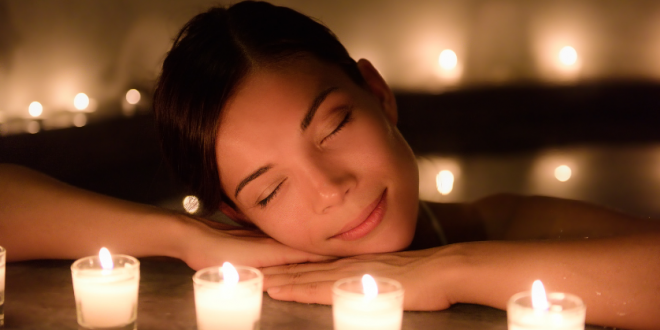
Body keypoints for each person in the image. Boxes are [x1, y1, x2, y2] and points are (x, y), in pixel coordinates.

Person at [0, 1, 659, 329]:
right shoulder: (245, 260)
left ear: (379, 94)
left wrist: (451, 269)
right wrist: (182, 236)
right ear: (236, 212)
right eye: (270, 188)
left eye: (335, 124)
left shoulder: (499, 221)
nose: (330, 189)